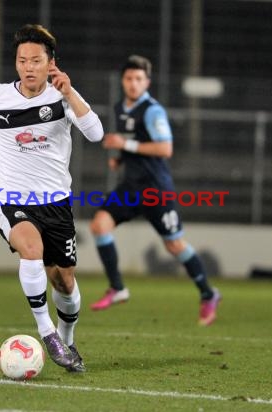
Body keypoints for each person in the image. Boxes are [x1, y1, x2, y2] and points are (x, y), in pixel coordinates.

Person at [0, 24, 104, 372]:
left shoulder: (63, 96)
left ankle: (67, 341)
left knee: (64, 280)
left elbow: (97, 134)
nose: (28, 67)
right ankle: (47, 334)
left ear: (50, 63)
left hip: (57, 205)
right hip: (13, 200)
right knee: (31, 249)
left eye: (36, 60)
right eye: (22, 60)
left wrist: (70, 93)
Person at [89, 55, 221, 326]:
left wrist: (125, 147)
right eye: (129, 78)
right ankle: (117, 288)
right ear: (122, 81)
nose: (133, 84)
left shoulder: (153, 111)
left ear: (147, 82)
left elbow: (164, 149)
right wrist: (120, 158)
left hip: (156, 190)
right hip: (131, 187)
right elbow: (133, 142)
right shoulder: (119, 108)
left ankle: (208, 293)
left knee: (174, 245)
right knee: (100, 225)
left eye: (139, 79)